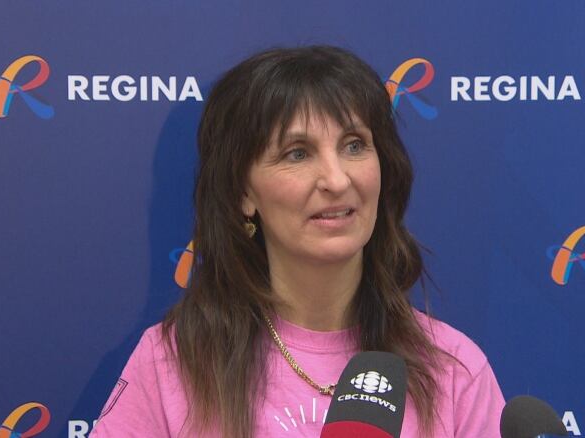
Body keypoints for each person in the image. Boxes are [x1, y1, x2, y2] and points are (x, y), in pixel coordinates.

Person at [90, 45, 504, 437]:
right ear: (243, 193)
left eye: (354, 146)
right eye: (298, 153)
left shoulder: (453, 368)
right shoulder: (173, 362)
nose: (337, 180)